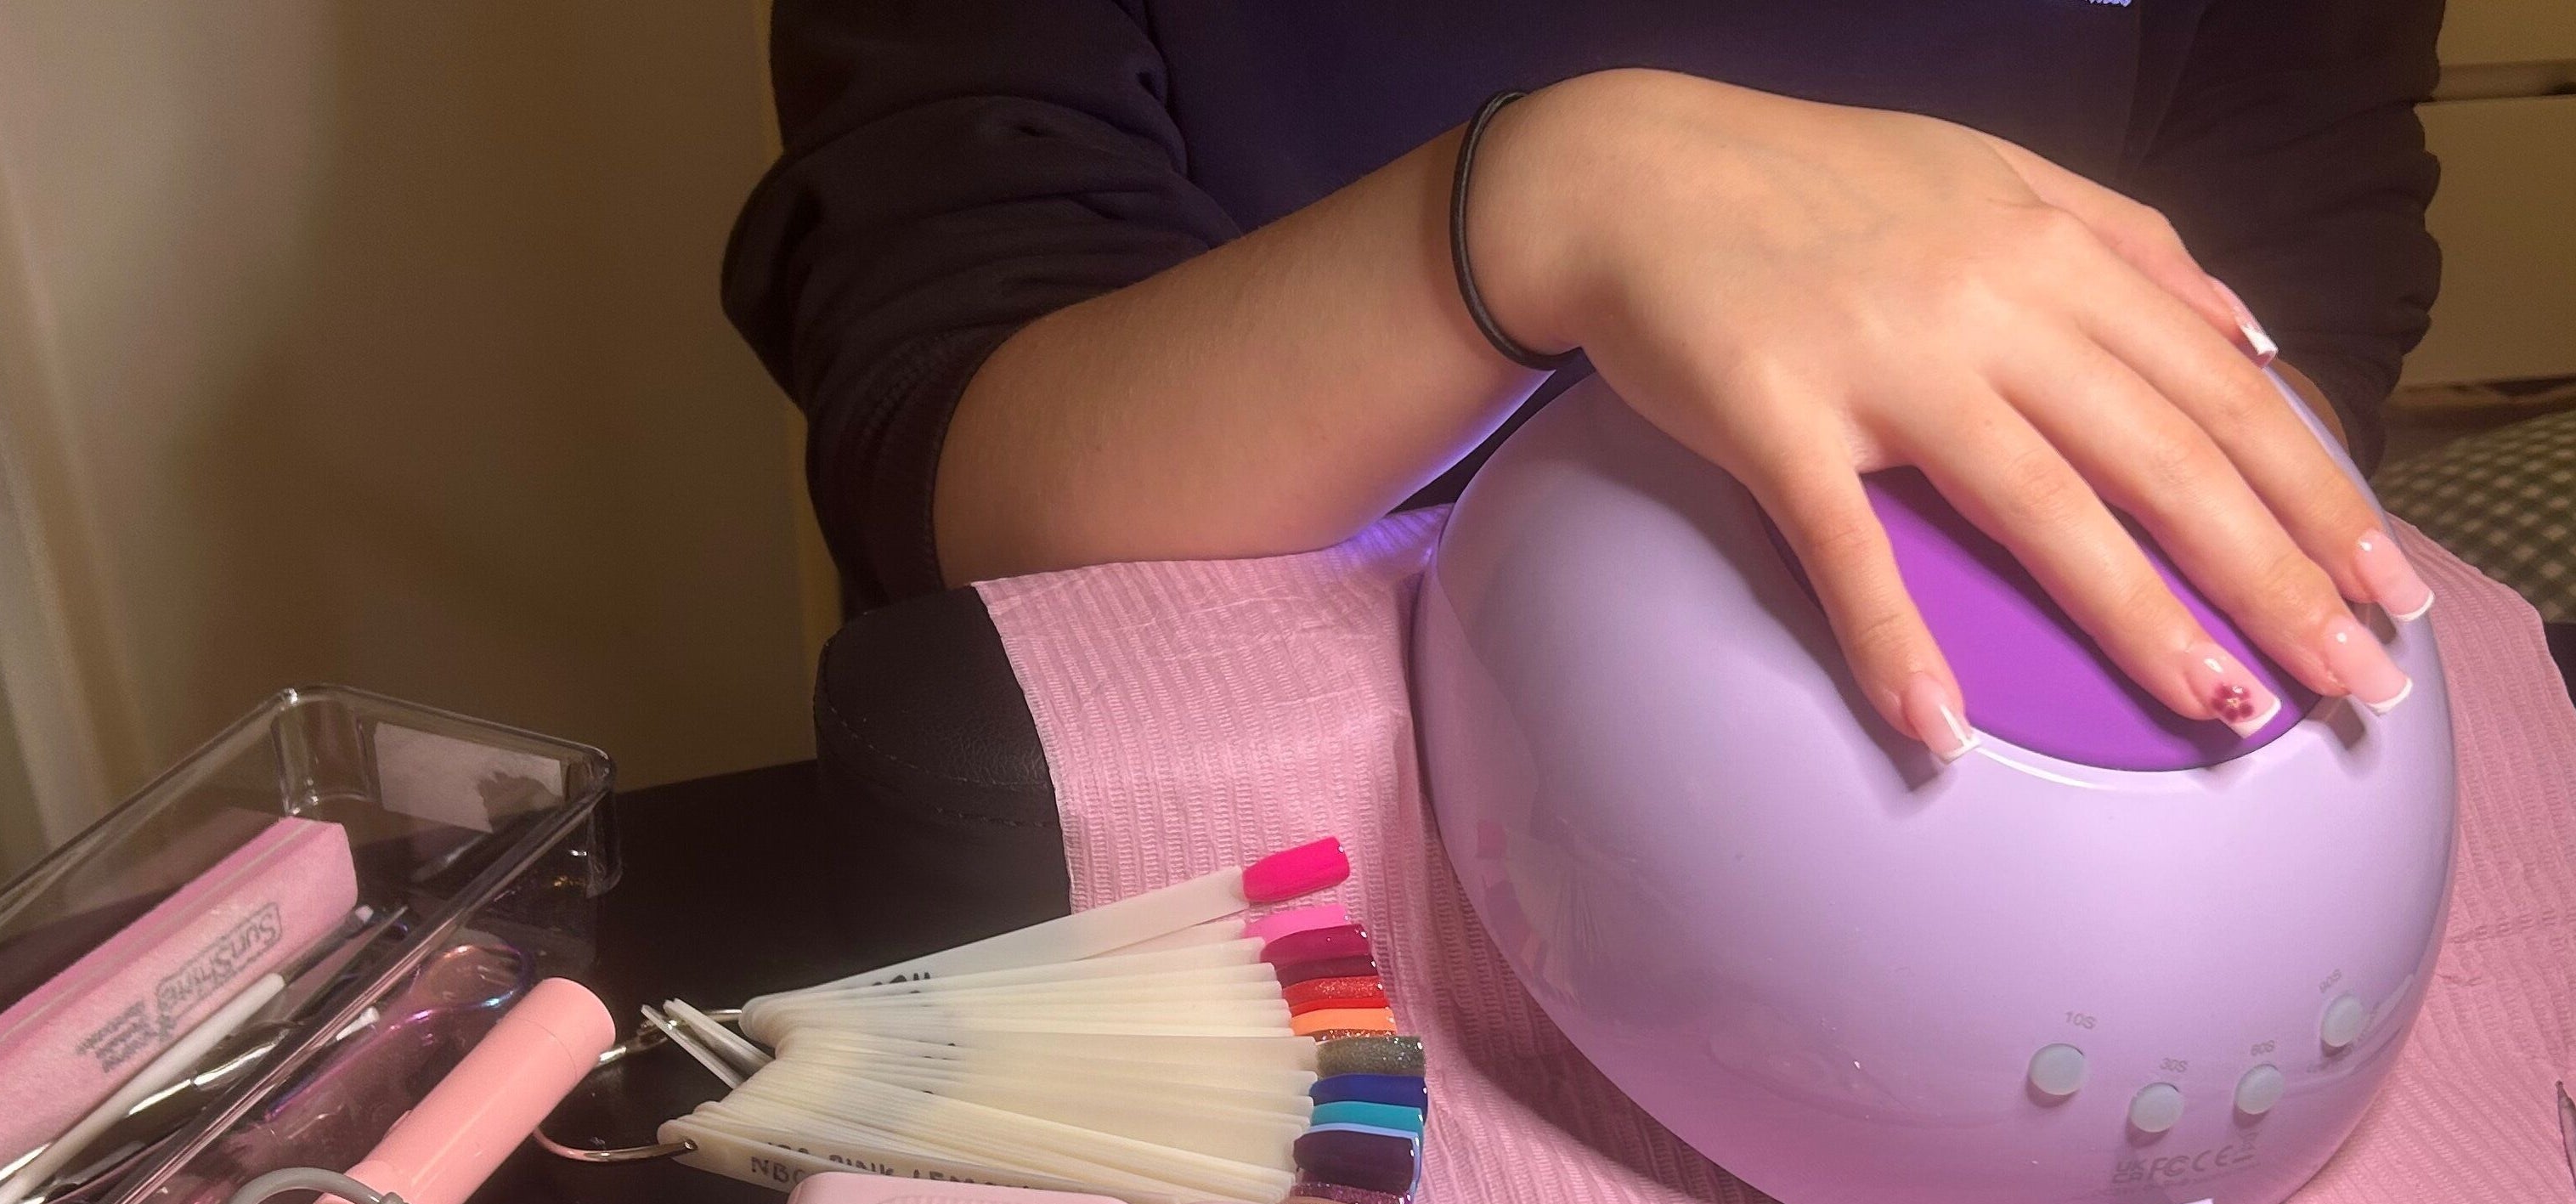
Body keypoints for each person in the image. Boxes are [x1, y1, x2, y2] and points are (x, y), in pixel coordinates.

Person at [725, 3, 2441, 760]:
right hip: (1270, 895)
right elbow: (969, 452)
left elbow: (2301, 263)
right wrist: (1550, 201)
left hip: (1993, 790)